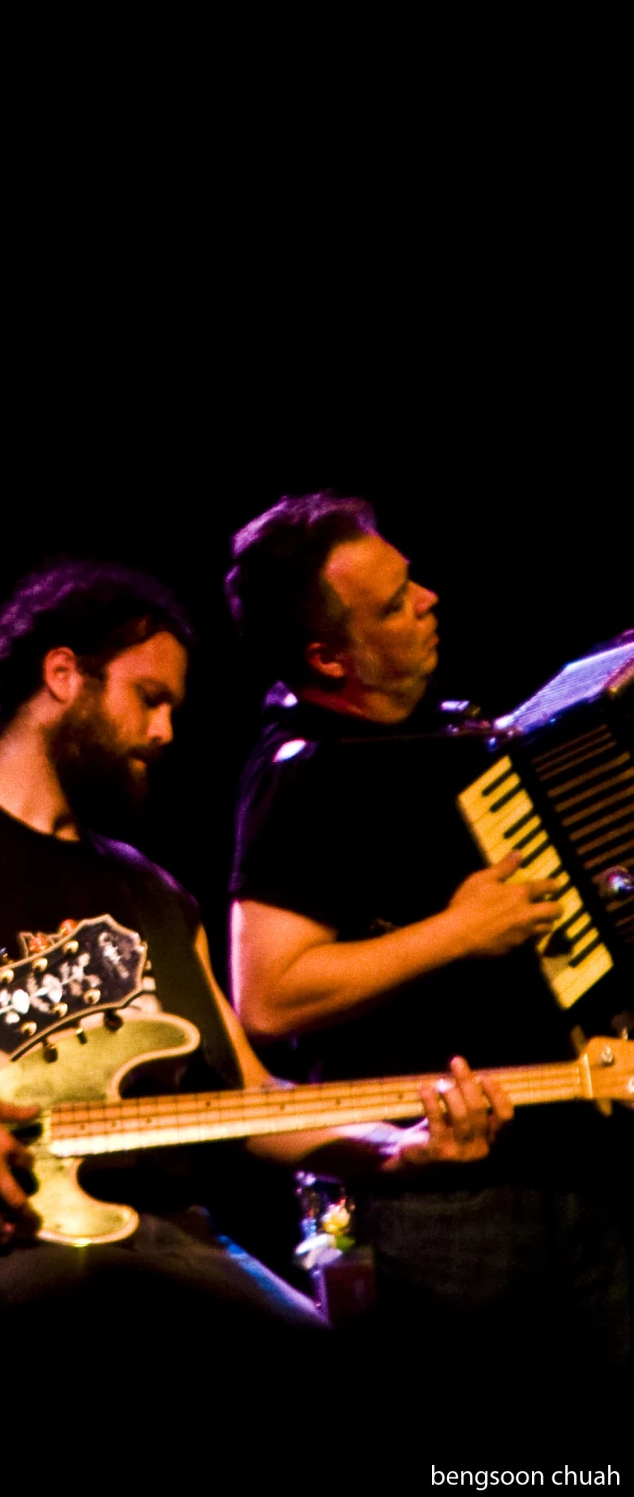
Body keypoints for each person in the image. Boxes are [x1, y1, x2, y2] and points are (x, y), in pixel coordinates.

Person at [0, 560, 505, 1490]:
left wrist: (398, 1151)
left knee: (349, 1390)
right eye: (147, 698)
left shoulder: (153, 891)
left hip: (160, 1236)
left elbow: (251, 1102)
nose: (166, 731)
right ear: (62, 676)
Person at [225, 492, 632, 1444]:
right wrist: (457, 931)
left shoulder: (457, 740)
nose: (430, 599)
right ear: (328, 657)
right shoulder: (304, 772)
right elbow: (269, 993)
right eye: (395, 600)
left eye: (410, 580)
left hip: (579, 1159)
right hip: (436, 1200)